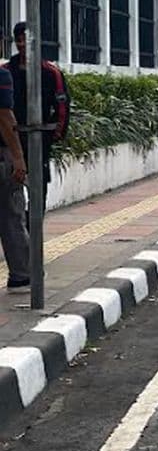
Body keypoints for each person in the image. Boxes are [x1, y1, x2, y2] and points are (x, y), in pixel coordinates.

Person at [7, 22, 69, 217]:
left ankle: (32, 235)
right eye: (19, 41)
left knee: (38, 193)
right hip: (11, 140)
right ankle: (19, 237)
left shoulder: (51, 73)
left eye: (26, 40)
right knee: (10, 193)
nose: (23, 45)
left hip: (40, 141)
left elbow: (62, 106)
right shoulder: (7, 71)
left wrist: (55, 134)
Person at [0, 62, 29, 293]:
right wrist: (18, 157)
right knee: (11, 213)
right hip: (1, 156)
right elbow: (5, 117)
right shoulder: (2, 75)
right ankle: (22, 274)